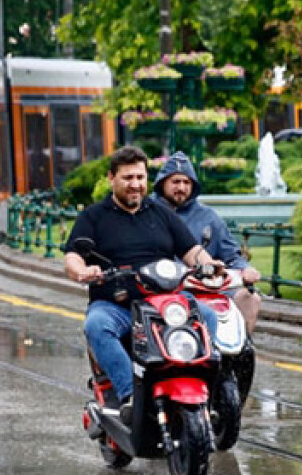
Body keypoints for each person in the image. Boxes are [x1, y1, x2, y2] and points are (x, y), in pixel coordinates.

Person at [63, 146, 221, 419]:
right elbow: (73, 256)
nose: (135, 185)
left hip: (165, 302)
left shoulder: (161, 213)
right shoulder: (94, 216)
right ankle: (130, 397)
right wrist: (82, 271)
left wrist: (209, 265)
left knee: (208, 315)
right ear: (111, 178)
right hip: (117, 305)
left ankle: (208, 391)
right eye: (128, 178)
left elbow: (191, 250)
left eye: (140, 177)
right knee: (96, 325)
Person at [153, 152, 263, 332]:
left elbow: (231, 255)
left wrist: (245, 269)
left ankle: (239, 354)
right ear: (162, 182)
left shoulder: (209, 217)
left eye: (186, 182)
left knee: (249, 298)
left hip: (208, 286)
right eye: (175, 182)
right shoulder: (148, 211)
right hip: (166, 289)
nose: (181, 187)